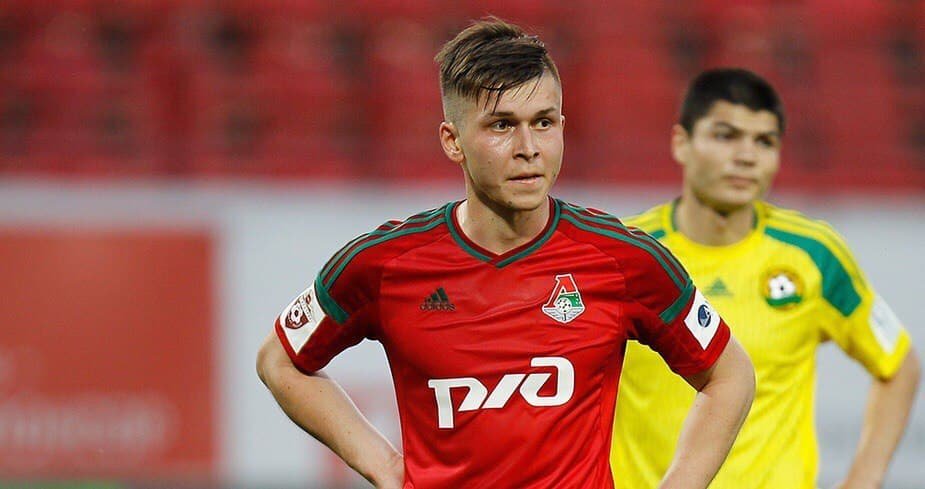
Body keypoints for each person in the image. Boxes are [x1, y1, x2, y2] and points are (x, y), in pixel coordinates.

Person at [257, 19, 755, 489]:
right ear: (453, 141)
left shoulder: (623, 260)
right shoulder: (385, 264)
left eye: (544, 122)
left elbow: (729, 373)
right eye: (501, 126)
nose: (528, 147)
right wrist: (384, 466)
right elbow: (280, 360)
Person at [611, 68, 921, 489]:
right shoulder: (625, 255)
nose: (746, 156)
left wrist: (864, 478)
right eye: (726, 136)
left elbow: (898, 364)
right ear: (681, 142)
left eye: (764, 142)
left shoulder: (813, 255)